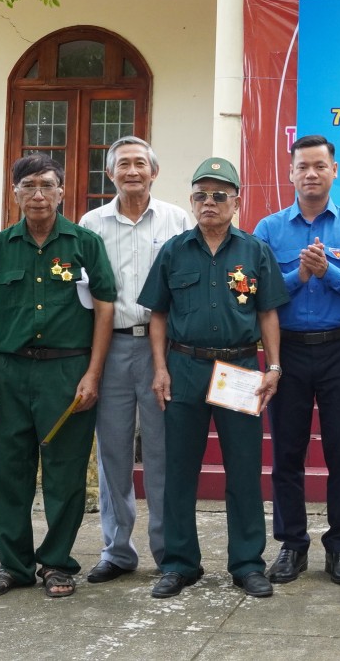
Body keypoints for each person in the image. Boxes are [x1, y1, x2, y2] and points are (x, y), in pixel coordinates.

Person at [139, 157, 289, 599]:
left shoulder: (254, 250)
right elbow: (158, 315)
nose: (209, 202)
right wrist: (160, 368)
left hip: (239, 369)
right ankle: (180, 563)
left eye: (219, 195)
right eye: (201, 195)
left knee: (243, 469)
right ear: (192, 200)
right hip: (185, 367)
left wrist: (274, 367)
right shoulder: (174, 250)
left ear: (236, 202)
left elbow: (268, 313)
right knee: (178, 469)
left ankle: (247, 563)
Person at [0, 154, 116, 598]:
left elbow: (106, 307)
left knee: (65, 472)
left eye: (47, 186)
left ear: (61, 191)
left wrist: (93, 372)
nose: (38, 195)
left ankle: (56, 563)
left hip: (67, 371)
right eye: (28, 186)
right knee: (6, 470)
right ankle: (12, 565)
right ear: (14, 192)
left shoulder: (84, 244)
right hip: (10, 372)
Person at [252, 135, 340, 587]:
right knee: (287, 452)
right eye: (302, 166)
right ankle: (291, 545)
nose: (311, 174)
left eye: (320, 166)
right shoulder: (268, 230)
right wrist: (300, 275)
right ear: (290, 172)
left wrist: (330, 272)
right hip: (288, 351)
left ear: (334, 170)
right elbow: (259, 293)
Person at [78, 136, 191, 585]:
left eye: (139, 163)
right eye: (122, 164)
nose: (131, 171)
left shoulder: (176, 219)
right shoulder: (91, 224)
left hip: (161, 350)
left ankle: (167, 551)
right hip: (112, 347)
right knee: (113, 453)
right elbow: (82, 294)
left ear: (153, 171)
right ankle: (117, 549)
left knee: (163, 453)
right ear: (110, 174)